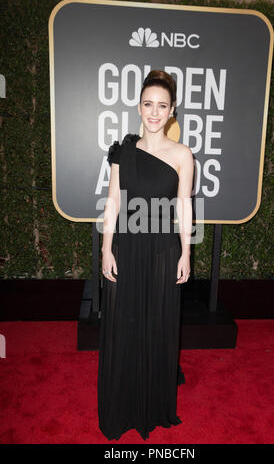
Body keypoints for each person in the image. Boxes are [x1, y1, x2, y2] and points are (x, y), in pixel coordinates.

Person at [98, 70, 194, 441]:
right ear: (139, 107)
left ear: (172, 112)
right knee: (124, 326)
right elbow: (112, 202)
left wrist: (186, 253)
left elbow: (183, 207)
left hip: (162, 251)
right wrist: (106, 248)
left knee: (157, 324)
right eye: (148, 104)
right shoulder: (123, 151)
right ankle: (121, 406)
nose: (154, 112)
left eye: (162, 106)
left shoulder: (183, 154)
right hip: (126, 245)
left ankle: (152, 405)